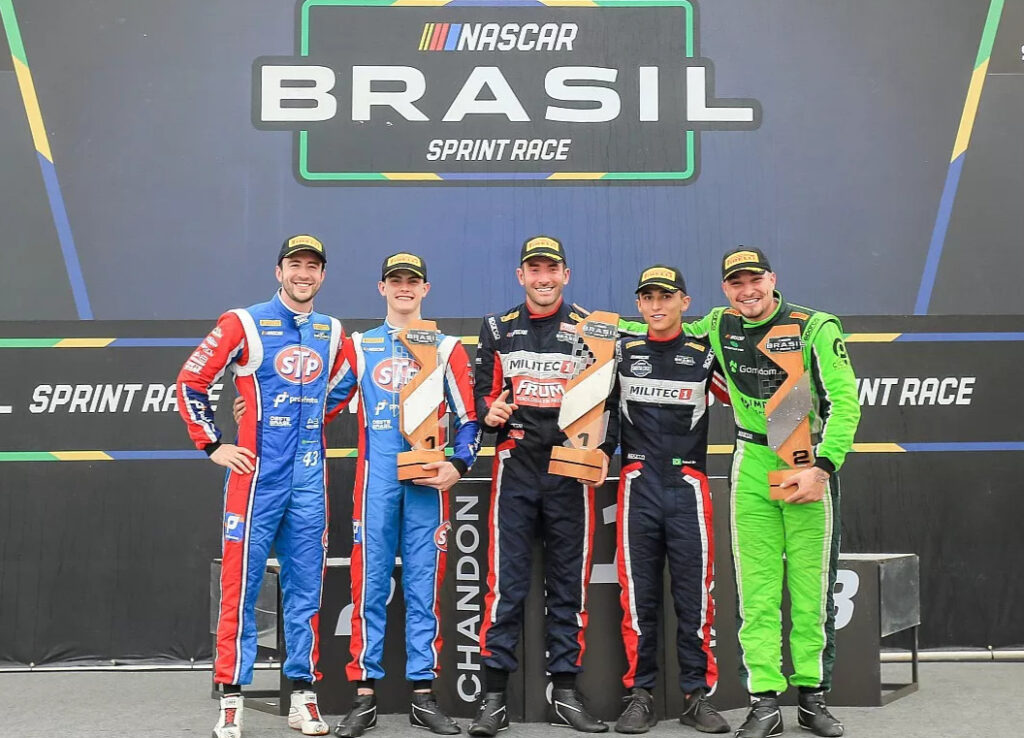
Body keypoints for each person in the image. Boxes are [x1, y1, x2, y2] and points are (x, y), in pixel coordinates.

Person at [683, 247, 860, 738]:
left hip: (803, 459)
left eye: (755, 280)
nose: (748, 291)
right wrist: (591, 327)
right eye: (736, 283)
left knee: (810, 592)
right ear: (725, 289)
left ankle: (812, 699)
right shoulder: (719, 325)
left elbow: (845, 402)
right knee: (757, 594)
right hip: (752, 461)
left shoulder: (814, 326)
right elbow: (663, 330)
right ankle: (763, 703)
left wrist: (822, 467)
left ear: (772, 279)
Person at [177, 234, 341, 738]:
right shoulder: (242, 321)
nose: (303, 274)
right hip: (255, 478)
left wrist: (300, 420)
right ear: (279, 271)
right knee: (240, 587)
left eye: (313, 266)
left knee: (306, 590)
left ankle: (304, 698)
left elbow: (331, 395)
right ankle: (231, 699)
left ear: (323, 275)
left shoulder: (332, 331)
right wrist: (214, 444)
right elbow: (191, 381)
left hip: (309, 479)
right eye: (295, 265)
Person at [324, 253, 481, 737]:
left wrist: (458, 464)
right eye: (397, 281)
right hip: (376, 483)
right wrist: (259, 403)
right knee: (368, 586)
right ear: (382, 288)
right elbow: (322, 405)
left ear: (426, 290)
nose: (405, 288)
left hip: (427, 483)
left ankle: (422, 695)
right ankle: (364, 694)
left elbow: (469, 419)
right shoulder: (360, 345)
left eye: (413, 281)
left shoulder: (448, 347)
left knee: (422, 587)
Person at [470, 235, 615, 736]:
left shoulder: (591, 329)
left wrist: (601, 449)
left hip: (568, 468)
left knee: (567, 584)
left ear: (566, 274)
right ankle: (493, 700)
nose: (544, 278)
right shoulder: (496, 328)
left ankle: (567, 694)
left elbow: (610, 406)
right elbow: (482, 401)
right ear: (521, 276)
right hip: (515, 465)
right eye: (534, 269)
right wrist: (490, 414)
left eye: (551, 269)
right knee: (504, 585)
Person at [608, 266, 731, 735]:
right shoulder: (621, 351)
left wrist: (802, 446)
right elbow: (595, 410)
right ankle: (639, 695)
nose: (657, 305)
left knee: (695, 598)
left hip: (688, 487)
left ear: (684, 301)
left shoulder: (705, 355)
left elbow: (753, 397)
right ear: (638, 305)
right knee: (638, 599)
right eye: (648, 297)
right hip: (637, 484)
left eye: (666, 296)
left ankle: (696, 697)